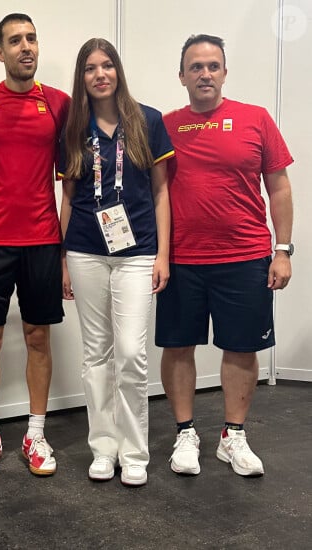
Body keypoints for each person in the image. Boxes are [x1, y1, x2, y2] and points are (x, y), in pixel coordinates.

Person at [156, 34, 294, 477]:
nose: (205, 73)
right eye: (195, 67)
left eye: (213, 65)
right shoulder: (166, 125)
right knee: (178, 347)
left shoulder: (255, 119)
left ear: (224, 72)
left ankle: (232, 436)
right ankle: (185, 434)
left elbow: (279, 186)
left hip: (246, 256)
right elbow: (154, 192)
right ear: (182, 76)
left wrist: (283, 250)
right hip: (182, 259)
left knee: (241, 348)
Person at [60, 38, 173, 486]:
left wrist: (163, 253)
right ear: (82, 76)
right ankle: (103, 447)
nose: (100, 74)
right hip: (86, 249)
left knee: (130, 353)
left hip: (139, 251)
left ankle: (135, 450)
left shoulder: (148, 121)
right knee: (96, 355)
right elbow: (67, 196)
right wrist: (63, 258)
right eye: (90, 68)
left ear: (118, 71)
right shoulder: (73, 128)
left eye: (107, 66)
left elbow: (162, 191)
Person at [0, 13, 70, 477]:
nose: (26, 47)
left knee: (37, 337)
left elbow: (77, 171)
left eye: (31, 38)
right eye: (15, 41)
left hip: (42, 239)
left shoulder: (59, 103)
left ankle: (35, 434)